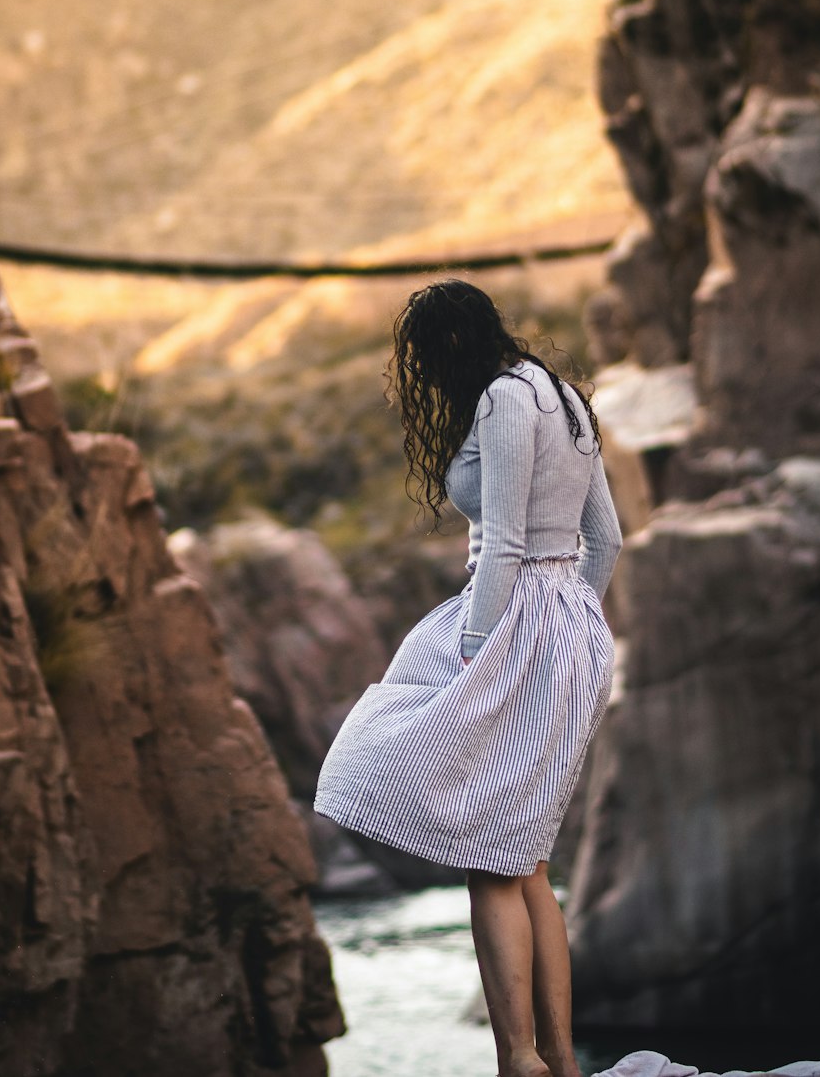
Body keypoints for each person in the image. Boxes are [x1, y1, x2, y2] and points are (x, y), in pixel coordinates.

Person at [314, 278, 623, 1077]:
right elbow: (608, 542)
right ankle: (555, 1056)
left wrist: (481, 647)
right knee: (528, 862)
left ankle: (517, 1057)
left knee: (487, 857)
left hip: (511, 618)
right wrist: (572, 622)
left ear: (449, 344)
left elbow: (509, 542)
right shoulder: (565, 398)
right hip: (564, 624)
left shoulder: (501, 400)